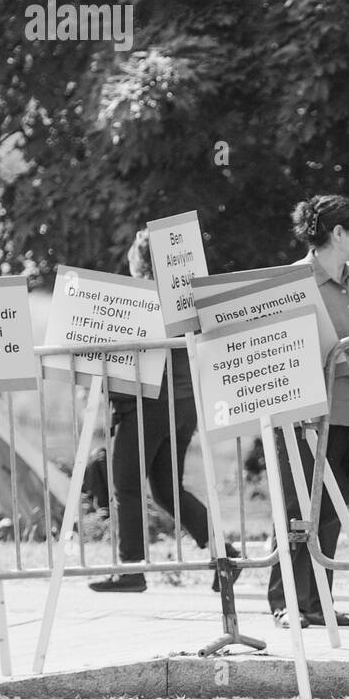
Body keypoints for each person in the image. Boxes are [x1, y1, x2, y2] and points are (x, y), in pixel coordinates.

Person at [90, 231, 234, 593]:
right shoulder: (186, 301)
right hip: (183, 403)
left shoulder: (138, 302)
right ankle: (224, 555)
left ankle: (132, 570)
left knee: (126, 483)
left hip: (146, 403)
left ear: (139, 265)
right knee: (168, 488)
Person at [267, 194, 349, 628]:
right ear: (337, 233)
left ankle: (319, 601)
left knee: (332, 508)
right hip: (302, 411)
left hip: (347, 408)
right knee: (299, 506)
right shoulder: (295, 280)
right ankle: (287, 603)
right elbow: (289, 348)